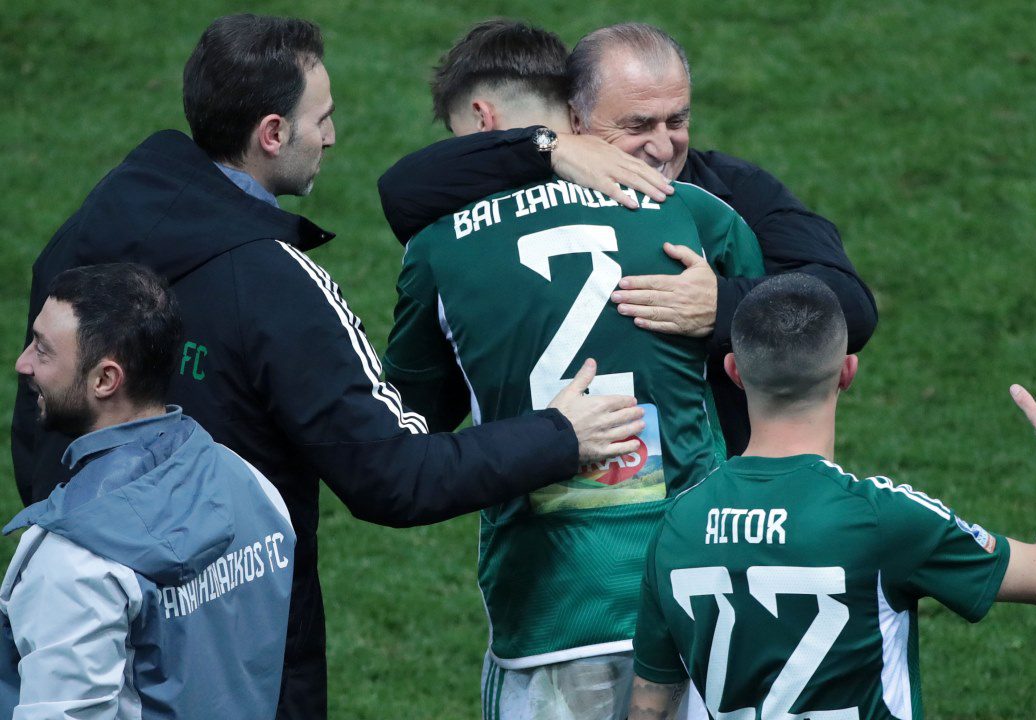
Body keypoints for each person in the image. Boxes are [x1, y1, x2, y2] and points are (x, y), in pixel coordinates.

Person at [9, 15, 644, 719]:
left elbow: (39, 420)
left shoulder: (82, 238)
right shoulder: (276, 287)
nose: (334, 136)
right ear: (272, 133)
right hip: (239, 654)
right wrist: (557, 434)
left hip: (83, 626)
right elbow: (394, 476)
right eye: (322, 119)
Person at [382, 20, 764, 720]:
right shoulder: (698, 215)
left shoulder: (437, 247)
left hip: (552, 611)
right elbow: (760, 390)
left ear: (482, 122)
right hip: (702, 595)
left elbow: (410, 425)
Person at [378, 21, 877, 456]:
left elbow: (851, 305)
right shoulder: (516, 206)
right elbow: (402, 189)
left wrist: (723, 304)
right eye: (638, 125)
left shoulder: (731, 191)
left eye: (677, 120)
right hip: (559, 496)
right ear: (576, 118)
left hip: (712, 499)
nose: (662, 146)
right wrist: (545, 148)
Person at [628, 274, 1036, 720]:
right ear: (847, 372)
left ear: (733, 371)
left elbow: (650, 702)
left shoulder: (678, 523)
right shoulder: (883, 519)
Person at [0, 264, 295, 718]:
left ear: (105, 380)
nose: (23, 363)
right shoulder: (252, 485)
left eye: (42, 349)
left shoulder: (72, 560)